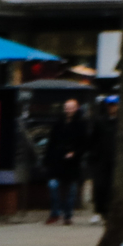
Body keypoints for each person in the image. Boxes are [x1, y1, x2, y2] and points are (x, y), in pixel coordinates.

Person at [43, 96, 88, 225]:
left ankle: (68, 215)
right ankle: (55, 213)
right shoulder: (58, 123)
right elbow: (51, 142)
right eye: (66, 107)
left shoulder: (81, 124)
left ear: (76, 108)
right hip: (56, 161)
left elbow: (83, 143)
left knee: (71, 190)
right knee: (53, 186)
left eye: (71, 107)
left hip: (72, 163)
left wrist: (75, 153)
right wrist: (48, 159)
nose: (68, 110)